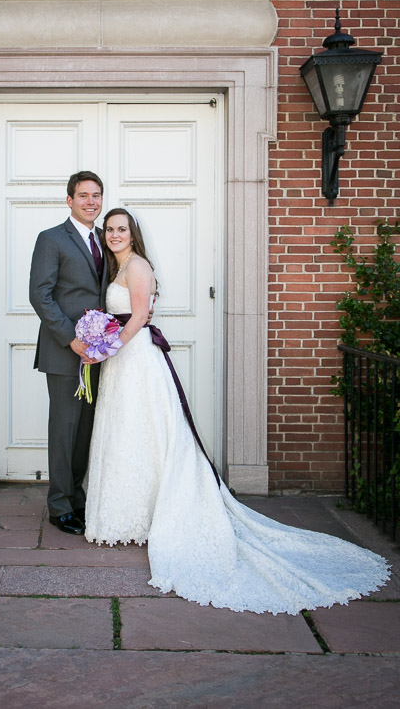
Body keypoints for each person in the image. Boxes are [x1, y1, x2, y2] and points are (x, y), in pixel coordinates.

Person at [84, 208, 390, 614]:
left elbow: (139, 315)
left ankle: (155, 514)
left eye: (122, 229)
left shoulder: (138, 266)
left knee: (144, 428)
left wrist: (107, 346)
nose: (115, 234)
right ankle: (131, 513)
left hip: (135, 356)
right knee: (125, 432)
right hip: (124, 359)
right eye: (110, 229)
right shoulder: (115, 268)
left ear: (133, 234)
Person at [29, 172, 108, 535]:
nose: (90, 201)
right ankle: (58, 506)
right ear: (69, 200)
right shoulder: (51, 239)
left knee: (86, 431)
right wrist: (70, 339)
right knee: (64, 430)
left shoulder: (106, 241)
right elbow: (40, 295)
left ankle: (77, 498)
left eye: (96, 195)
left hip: (99, 353)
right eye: (83, 195)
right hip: (64, 352)